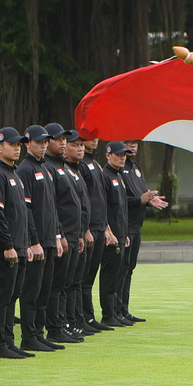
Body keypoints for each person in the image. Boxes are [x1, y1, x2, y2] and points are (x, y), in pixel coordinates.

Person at [0, 127, 39, 358]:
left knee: (12, 296)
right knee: (2, 297)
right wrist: (8, 245)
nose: (17, 148)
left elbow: (24, 213)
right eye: (13, 144)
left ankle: (8, 342)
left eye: (20, 145)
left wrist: (27, 242)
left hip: (20, 246)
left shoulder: (15, 173)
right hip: (7, 249)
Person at [17, 124, 63, 353]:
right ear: (27, 143)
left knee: (45, 289)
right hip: (36, 242)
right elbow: (26, 210)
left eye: (46, 142)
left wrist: (56, 234)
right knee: (32, 291)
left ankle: (39, 332)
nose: (43, 145)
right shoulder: (25, 169)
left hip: (48, 239)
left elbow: (51, 207)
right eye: (39, 142)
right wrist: (33, 240)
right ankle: (29, 335)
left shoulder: (45, 168)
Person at [118, 140, 167, 323]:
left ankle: (124, 309)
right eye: (128, 143)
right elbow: (120, 199)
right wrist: (140, 199)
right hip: (125, 226)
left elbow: (141, 193)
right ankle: (114, 311)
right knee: (120, 270)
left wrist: (150, 199)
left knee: (129, 268)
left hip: (137, 226)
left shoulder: (136, 168)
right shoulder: (118, 169)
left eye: (135, 143)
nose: (133, 147)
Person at [44, 122, 84, 344]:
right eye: (57, 139)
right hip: (61, 235)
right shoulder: (49, 167)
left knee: (65, 283)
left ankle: (62, 324)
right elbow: (53, 206)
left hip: (71, 233)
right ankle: (54, 327)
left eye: (63, 139)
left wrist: (77, 233)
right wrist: (60, 234)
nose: (62, 142)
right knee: (57, 284)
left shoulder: (63, 167)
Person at [78, 137, 113, 331]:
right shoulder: (82, 165)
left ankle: (88, 317)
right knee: (83, 277)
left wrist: (106, 226)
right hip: (89, 228)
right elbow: (84, 200)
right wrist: (86, 229)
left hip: (100, 226)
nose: (94, 140)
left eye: (96, 137)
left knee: (90, 277)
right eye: (88, 138)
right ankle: (84, 317)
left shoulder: (96, 164)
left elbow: (101, 199)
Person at [64, 132, 95, 334]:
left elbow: (83, 205)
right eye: (75, 145)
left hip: (78, 234)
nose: (80, 148)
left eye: (82, 145)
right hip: (66, 235)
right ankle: (64, 323)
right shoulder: (62, 170)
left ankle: (76, 320)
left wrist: (84, 230)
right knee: (64, 284)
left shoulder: (76, 171)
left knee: (76, 281)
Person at [99, 141, 131, 328]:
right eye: (119, 154)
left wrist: (124, 233)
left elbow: (121, 209)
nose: (122, 157)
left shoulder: (119, 176)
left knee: (119, 274)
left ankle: (116, 311)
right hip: (111, 236)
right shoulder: (106, 176)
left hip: (120, 234)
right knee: (110, 275)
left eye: (124, 155)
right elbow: (104, 207)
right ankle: (108, 313)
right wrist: (108, 230)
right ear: (108, 155)